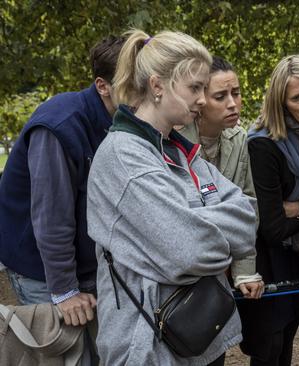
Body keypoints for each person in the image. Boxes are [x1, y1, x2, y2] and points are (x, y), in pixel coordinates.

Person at [86, 29, 257, 365]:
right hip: (147, 345)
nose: (203, 100)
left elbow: (248, 219)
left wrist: (189, 220)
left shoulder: (178, 151)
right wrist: (201, 223)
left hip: (198, 335)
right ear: (157, 86)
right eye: (195, 88)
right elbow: (190, 251)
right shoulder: (124, 156)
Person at [0, 35, 124, 318]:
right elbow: (52, 217)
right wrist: (65, 290)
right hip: (42, 271)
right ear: (103, 86)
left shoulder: (119, 122)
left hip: (90, 265)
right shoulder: (60, 125)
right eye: (133, 82)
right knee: (67, 357)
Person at [239, 54, 299, 366]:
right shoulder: (263, 145)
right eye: (297, 98)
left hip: (295, 255)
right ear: (281, 102)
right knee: (269, 345)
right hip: (265, 258)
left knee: (288, 335)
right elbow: (272, 226)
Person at [179, 56, 264, 300]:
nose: (232, 104)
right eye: (220, 96)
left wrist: (245, 272)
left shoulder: (238, 137)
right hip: (187, 266)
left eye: (236, 93)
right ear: (200, 101)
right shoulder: (174, 139)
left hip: (226, 259)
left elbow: (247, 206)